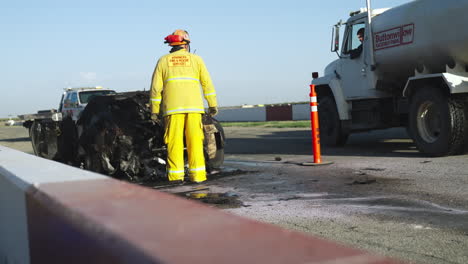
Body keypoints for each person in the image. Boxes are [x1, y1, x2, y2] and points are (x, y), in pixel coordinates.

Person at [149, 29, 218, 184]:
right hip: (194, 108)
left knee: (174, 143)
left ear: (172, 44)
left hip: (172, 110)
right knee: (195, 142)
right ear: (186, 44)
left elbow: (155, 88)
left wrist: (154, 110)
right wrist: (212, 104)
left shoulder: (163, 61)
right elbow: (207, 83)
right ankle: (198, 177)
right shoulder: (197, 60)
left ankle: (175, 178)